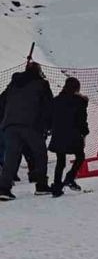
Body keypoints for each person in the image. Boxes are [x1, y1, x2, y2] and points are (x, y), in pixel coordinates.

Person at [0, 62, 53, 200]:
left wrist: (4, 122)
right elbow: (48, 106)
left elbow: (1, 102)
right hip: (32, 125)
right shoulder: (41, 84)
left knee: (11, 157)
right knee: (40, 154)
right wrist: (48, 126)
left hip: (10, 126)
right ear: (38, 71)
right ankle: (41, 185)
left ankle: (4, 188)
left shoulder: (13, 84)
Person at [48, 77, 89, 196]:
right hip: (73, 134)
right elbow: (81, 120)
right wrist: (84, 132)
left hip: (58, 134)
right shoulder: (79, 101)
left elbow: (50, 118)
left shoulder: (56, 100)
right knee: (80, 156)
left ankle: (57, 187)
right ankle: (70, 177)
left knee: (60, 161)